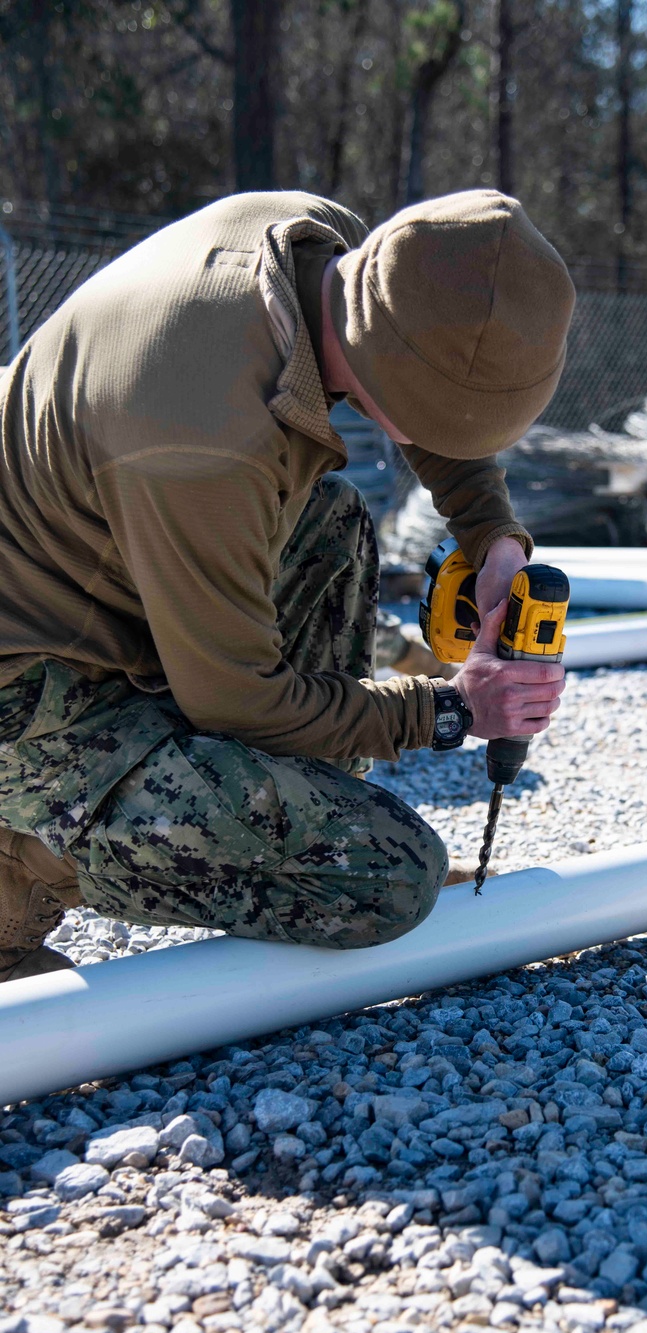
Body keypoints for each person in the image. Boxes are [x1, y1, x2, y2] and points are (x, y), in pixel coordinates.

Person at [0, 188, 575, 981]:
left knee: (330, 517)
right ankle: (20, 859)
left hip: (93, 574)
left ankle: (281, 810)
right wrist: (450, 709)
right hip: (24, 681)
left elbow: (426, 382)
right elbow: (237, 699)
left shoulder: (325, 248)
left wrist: (493, 537)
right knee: (390, 880)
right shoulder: (203, 440)